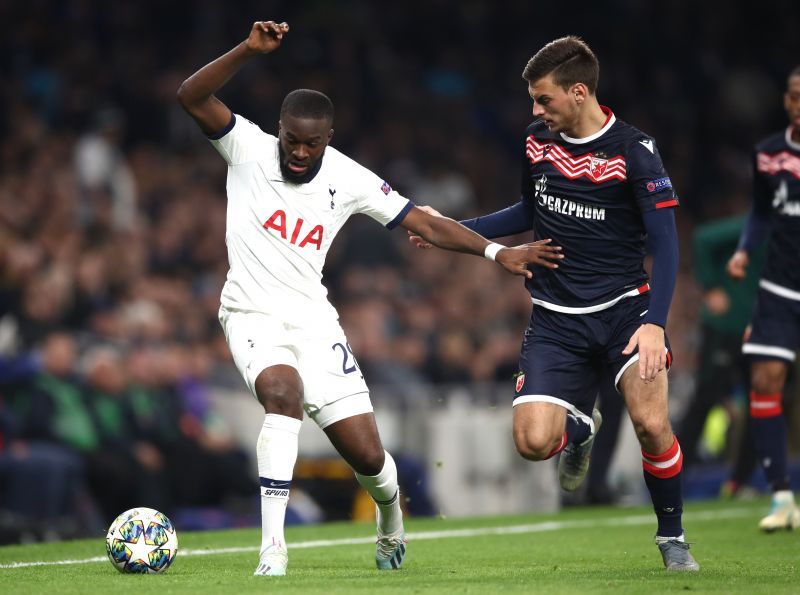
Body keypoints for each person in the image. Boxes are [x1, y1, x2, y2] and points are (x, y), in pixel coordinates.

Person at [176, 20, 563, 577]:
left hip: (314, 323)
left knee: (368, 457)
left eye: (312, 143)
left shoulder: (348, 177)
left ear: (328, 139)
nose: (300, 153)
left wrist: (498, 255)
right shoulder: (247, 148)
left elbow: (424, 224)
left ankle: (389, 514)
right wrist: (247, 50)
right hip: (251, 312)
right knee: (280, 395)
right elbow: (191, 95)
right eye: (293, 140)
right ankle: (272, 550)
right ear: (280, 130)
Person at [412, 36, 697, 571]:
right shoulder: (536, 141)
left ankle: (672, 538)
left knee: (651, 424)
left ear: (579, 92)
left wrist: (656, 323)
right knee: (532, 442)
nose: (535, 111)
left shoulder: (635, 153)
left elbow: (665, 243)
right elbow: (527, 207)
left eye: (543, 100)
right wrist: (453, 230)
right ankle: (579, 429)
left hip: (625, 315)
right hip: (555, 321)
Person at [726, 65, 800, 532]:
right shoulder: (769, 154)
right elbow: (759, 210)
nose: (798, 102)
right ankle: (781, 498)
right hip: (778, 284)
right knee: (765, 379)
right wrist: (743, 251)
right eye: (793, 94)